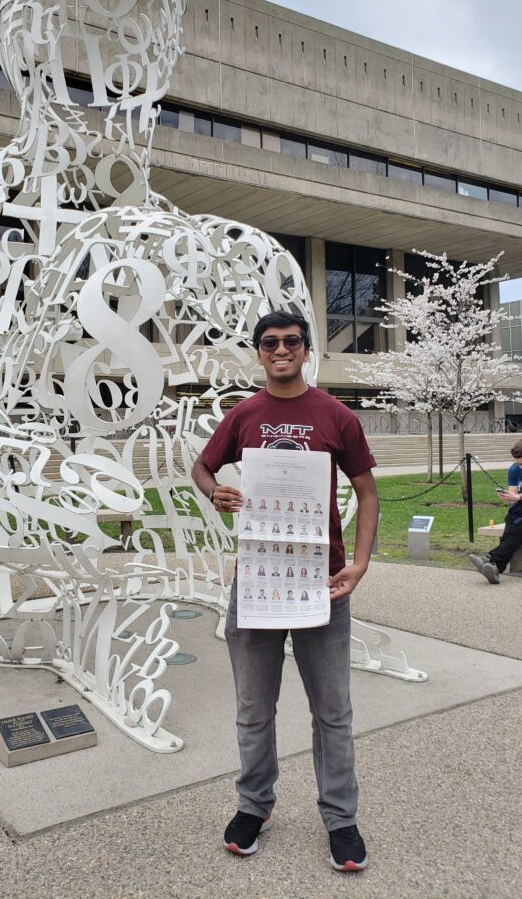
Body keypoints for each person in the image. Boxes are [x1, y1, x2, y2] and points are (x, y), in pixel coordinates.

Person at [192, 311, 378, 872]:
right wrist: (217, 491)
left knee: (333, 711)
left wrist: (362, 563)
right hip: (256, 582)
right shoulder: (245, 414)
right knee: (253, 708)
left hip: (322, 583)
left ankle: (341, 819)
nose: (280, 350)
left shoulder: (335, 414)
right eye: (270, 343)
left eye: (290, 342)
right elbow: (202, 468)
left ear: (305, 349)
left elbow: (367, 493)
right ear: (258, 353)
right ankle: (254, 805)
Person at [469, 439, 522, 584]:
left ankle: (492, 563)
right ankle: (494, 567)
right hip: (520, 510)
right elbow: (513, 498)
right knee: (510, 531)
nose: (521, 467)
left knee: (518, 532)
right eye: (518, 463)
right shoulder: (514, 469)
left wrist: (519, 496)